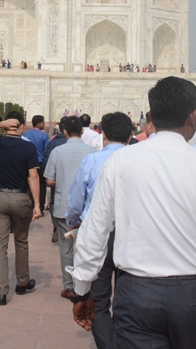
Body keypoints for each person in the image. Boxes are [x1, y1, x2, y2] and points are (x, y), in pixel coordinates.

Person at [67, 77, 196, 349]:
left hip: (137, 296)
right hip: (194, 299)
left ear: (151, 117)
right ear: (193, 117)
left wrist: (81, 290)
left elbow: (94, 233)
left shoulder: (120, 161)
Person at [64, 112, 132, 349]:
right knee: (128, 299)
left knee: (99, 301)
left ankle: (108, 345)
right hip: (130, 236)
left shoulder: (92, 161)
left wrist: (72, 222)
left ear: (103, 135)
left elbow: (75, 201)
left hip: (98, 235)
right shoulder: (137, 161)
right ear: (131, 135)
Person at [0, 111, 42, 305]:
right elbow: (33, 177)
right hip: (20, 198)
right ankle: (22, 283)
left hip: (0, 197)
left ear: (9, 125)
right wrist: (37, 205)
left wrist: (1, 123)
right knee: (21, 241)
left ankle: (1, 292)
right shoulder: (28, 148)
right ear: (22, 126)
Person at [43, 115, 95, 299]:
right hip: (85, 209)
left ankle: (68, 286)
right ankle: (85, 286)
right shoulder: (92, 152)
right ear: (82, 131)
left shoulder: (58, 151)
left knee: (65, 249)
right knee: (85, 248)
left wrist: (64, 181)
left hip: (63, 207)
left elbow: (49, 179)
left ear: (64, 132)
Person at [44, 120, 69, 243]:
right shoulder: (84, 146)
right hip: (75, 182)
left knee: (55, 202)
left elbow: (46, 160)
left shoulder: (54, 143)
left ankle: (57, 227)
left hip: (57, 180)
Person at [23, 115, 49, 214]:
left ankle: (30, 206)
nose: (44, 124)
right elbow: (46, 150)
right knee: (41, 185)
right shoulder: (44, 135)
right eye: (43, 122)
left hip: (28, 162)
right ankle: (40, 208)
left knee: (29, 184)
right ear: (39, 123)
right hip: (40, 162)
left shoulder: (26, 134)